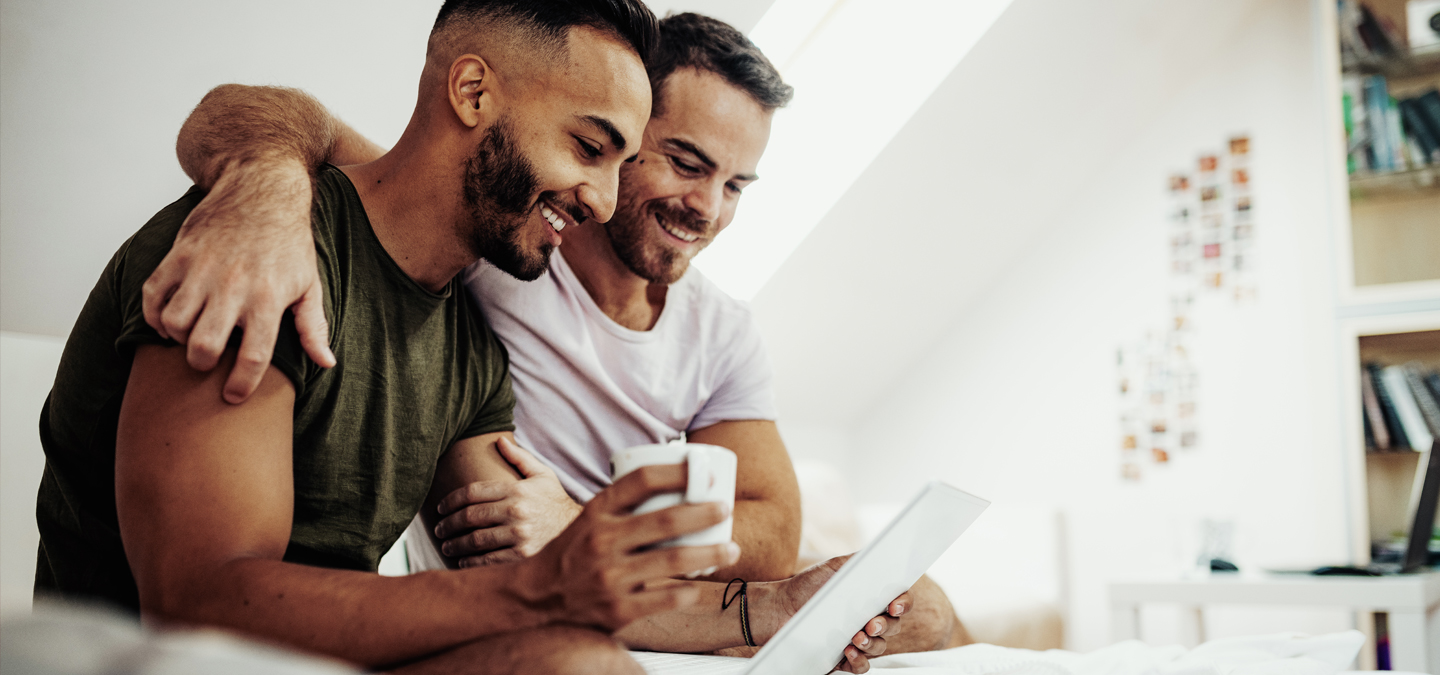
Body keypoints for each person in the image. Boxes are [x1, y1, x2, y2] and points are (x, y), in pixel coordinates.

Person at [30, 2, 904, 673]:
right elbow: (195, 605)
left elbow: (547, 569)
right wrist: (262, 179)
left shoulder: (471, 334)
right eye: (591, 147)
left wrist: (780, 607)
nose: (604, 199)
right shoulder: (259, 249)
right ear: (473, 92)